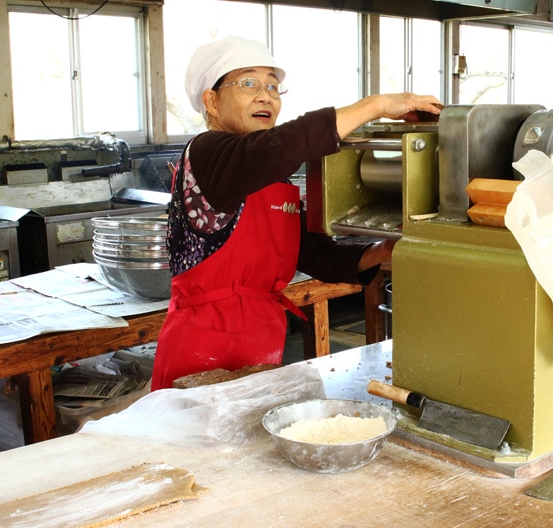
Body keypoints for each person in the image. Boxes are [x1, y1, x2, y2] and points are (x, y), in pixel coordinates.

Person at [151, 36, 443, 390]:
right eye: (248, 83)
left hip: (260, 339)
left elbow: (310, 252)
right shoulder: (208, 152)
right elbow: (277, 147)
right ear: (211, 101)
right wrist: (377, 105)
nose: (266, 96)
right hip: (202, 346)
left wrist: (378, 254)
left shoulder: (269, 173)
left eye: (273, 86)